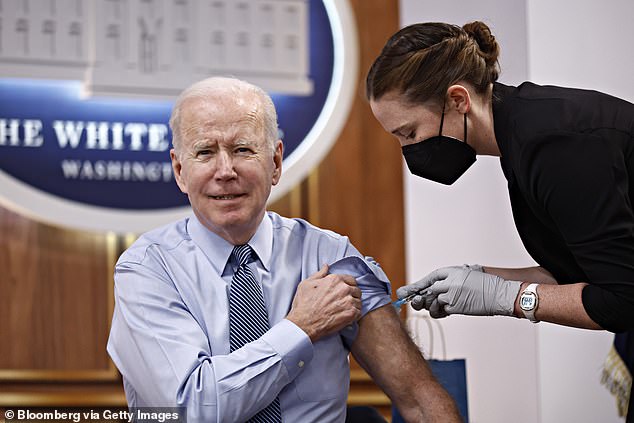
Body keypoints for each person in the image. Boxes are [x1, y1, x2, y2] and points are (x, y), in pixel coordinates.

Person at [107, 76, 462, 423]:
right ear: (180, 170)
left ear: (275, 163)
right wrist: (301, 328)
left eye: (243, 149)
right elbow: (191, 410)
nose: (226, 170)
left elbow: (418, 399)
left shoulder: (332, 258)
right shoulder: (147, 269)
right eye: (205, 152)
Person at [366, 20, 634, 420]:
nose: (407, 150)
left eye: (409, 132)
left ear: (458, 100)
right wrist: (479, 277)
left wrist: (501, 298)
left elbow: (621, 301)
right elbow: (578, 270)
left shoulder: (555, 146)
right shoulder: (521, 133)